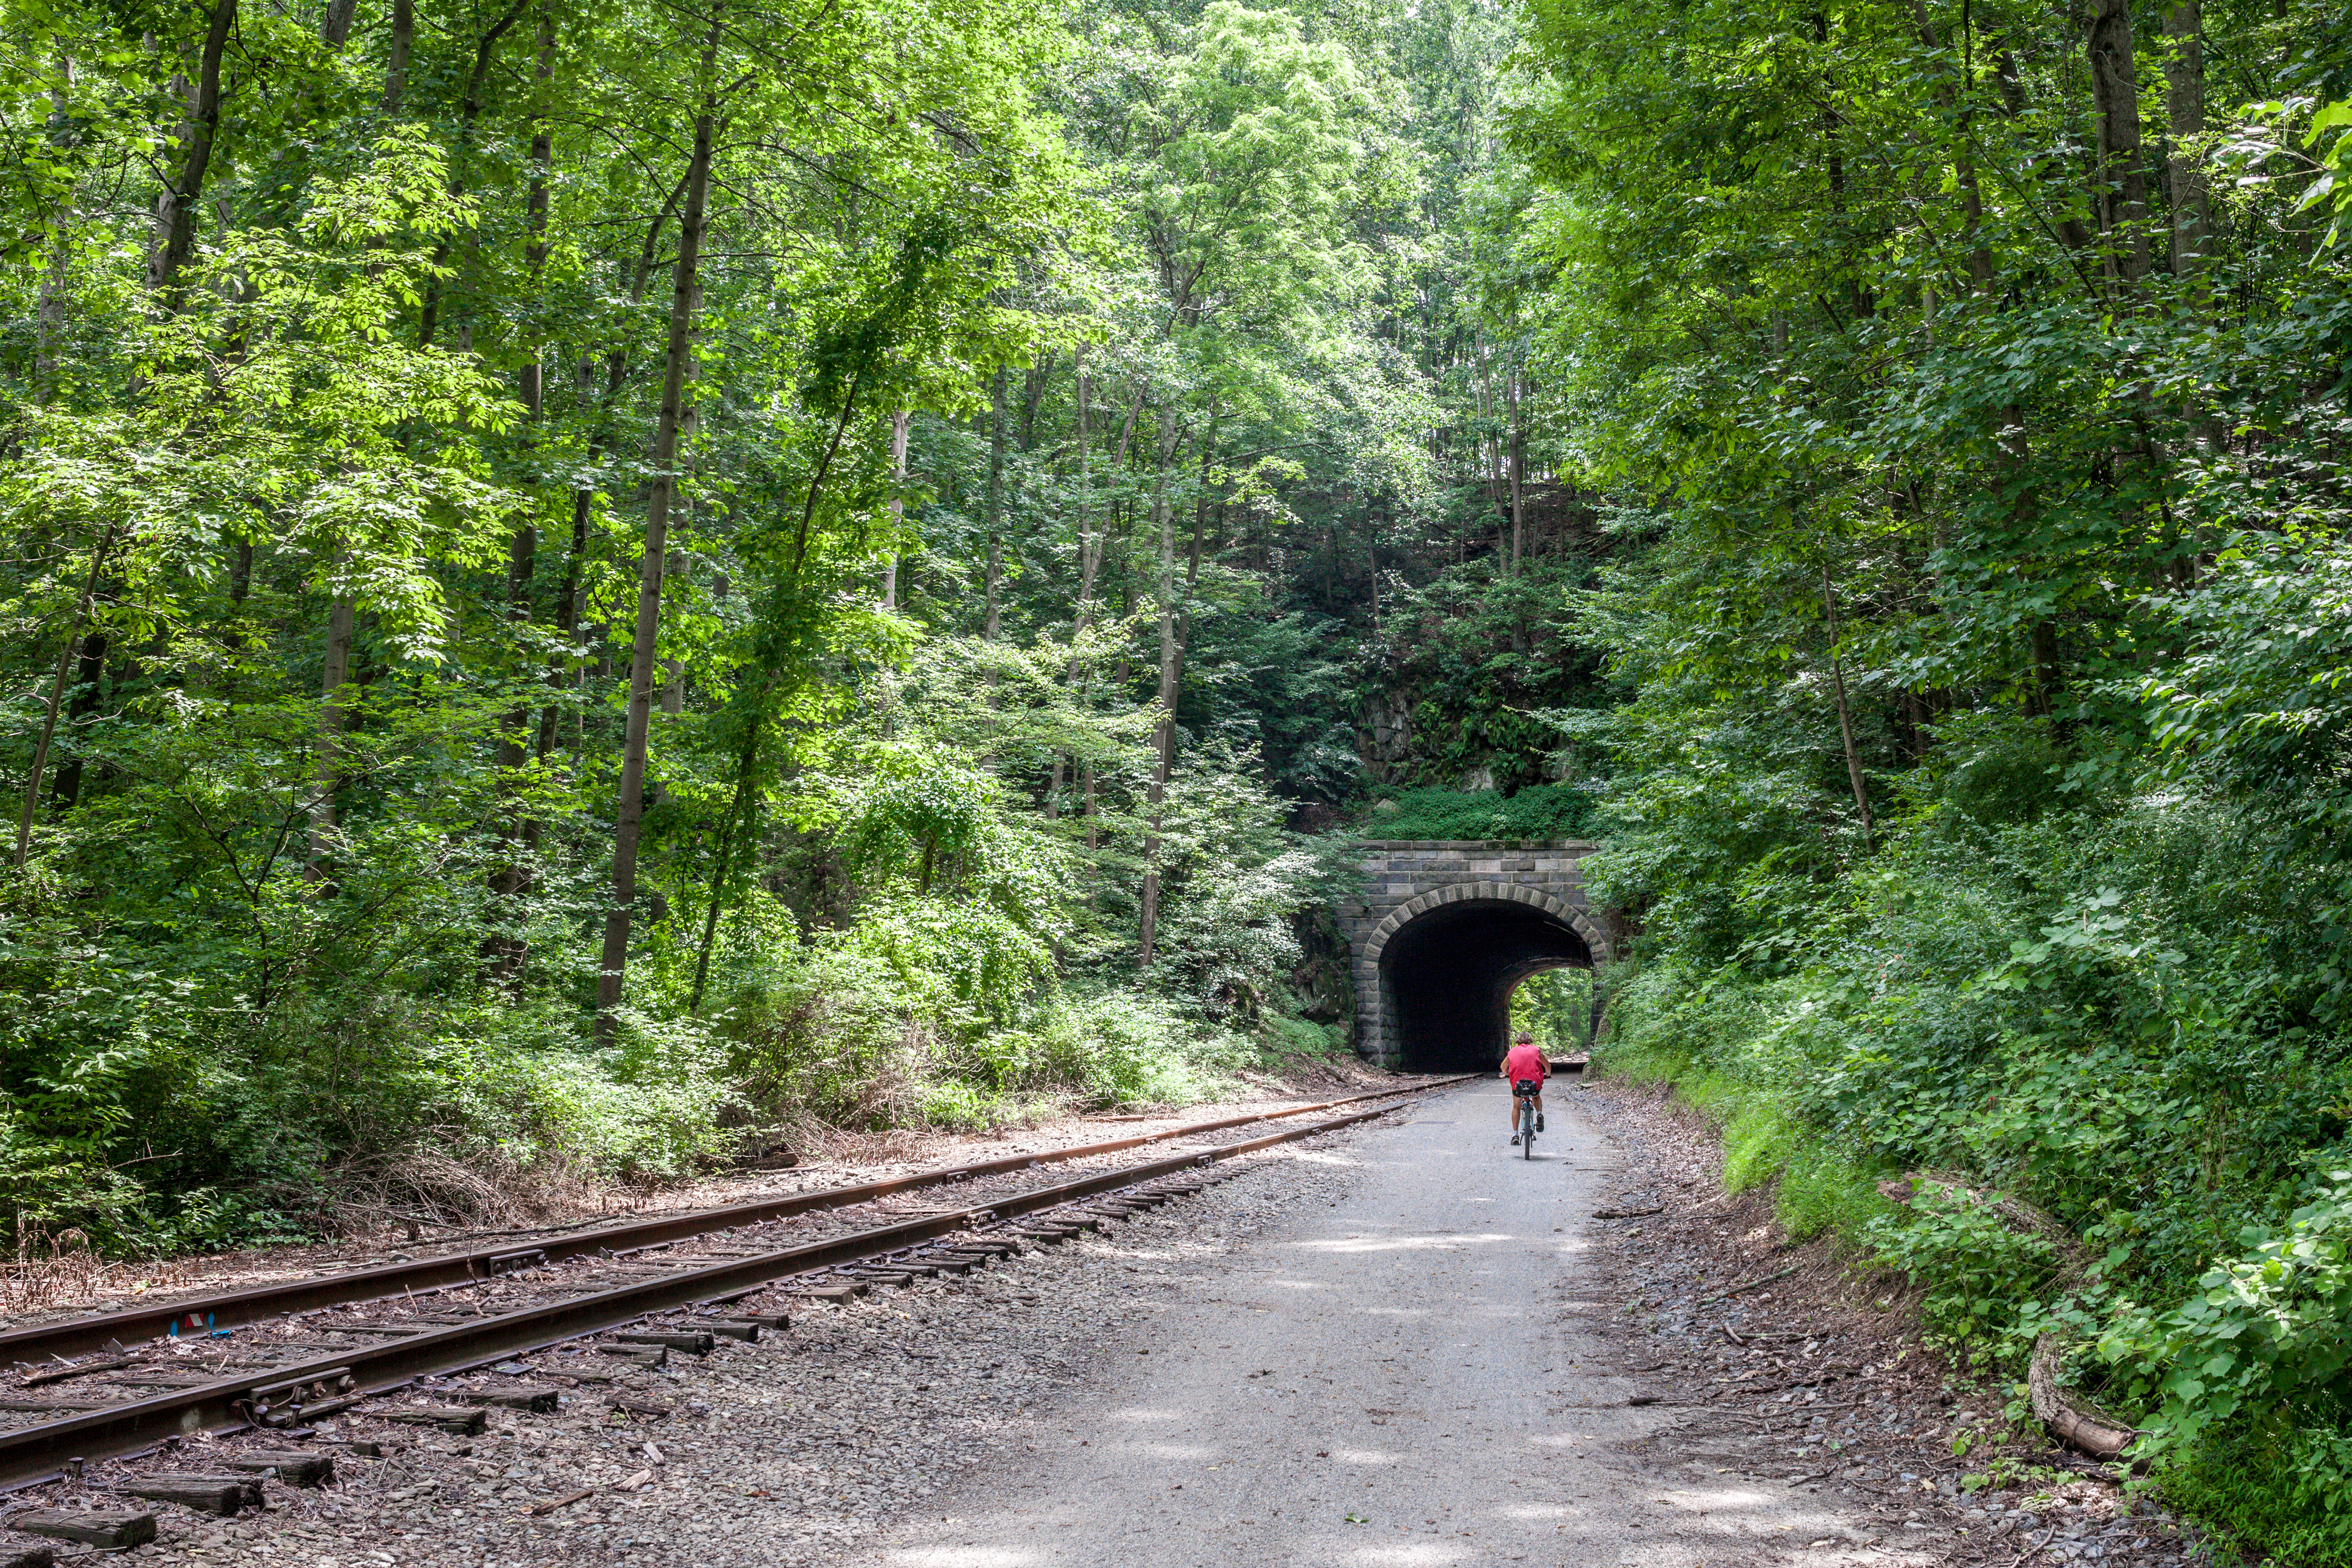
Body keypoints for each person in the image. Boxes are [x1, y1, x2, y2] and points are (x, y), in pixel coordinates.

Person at [1501, 1030, 1548, 1146]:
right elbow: (1548, 1065)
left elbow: (1503, 1066)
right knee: (1536, 1097)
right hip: (1534, 1084)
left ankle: (1515, 1134)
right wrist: (1549, 1074)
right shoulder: (1536, 1050)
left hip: (1518, 1084)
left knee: (1517, 1107)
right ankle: (1539, 1114)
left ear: (1517, 1040)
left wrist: (1507, 1074)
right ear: (1530, 1040)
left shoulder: (1512, 1051)